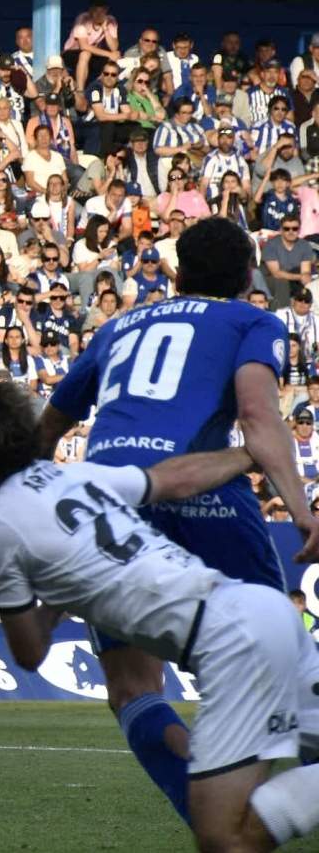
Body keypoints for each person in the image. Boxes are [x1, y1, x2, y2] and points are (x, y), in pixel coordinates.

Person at [0, 361, 319, 852]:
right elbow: (173, 478)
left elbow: (30, 651)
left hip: (230, 644)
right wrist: (248, 455)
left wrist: (54, 599)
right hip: (262, 610)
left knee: (225, 837)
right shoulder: (73, 479)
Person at [38, 216, 319, 822]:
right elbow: (257, 415)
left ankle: (214, 816)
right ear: (250, 275)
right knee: (277, 659)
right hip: (207, 495)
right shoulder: (252, 319)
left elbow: (47, 429)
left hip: (110, 507)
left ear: (179, 274)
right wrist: (303, 513)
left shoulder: (116, 327)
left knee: (135, 689)